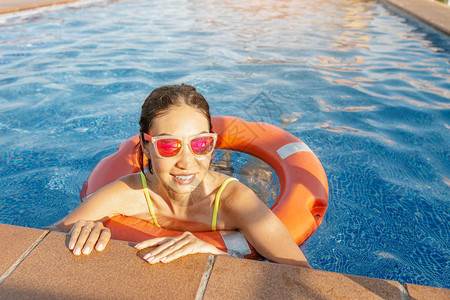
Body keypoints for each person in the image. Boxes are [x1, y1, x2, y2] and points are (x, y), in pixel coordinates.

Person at [48, 84, 311, 268]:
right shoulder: (129, 193)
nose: (186, 162)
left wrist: (218, 254)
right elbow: (46, 235)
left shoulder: (236, 202)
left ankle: (278, 124)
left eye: (200, 144)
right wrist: (83, 228)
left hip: (221, 191)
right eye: (168, 145)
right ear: (147, 146)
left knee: (256, 175)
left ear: (213, 143)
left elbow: (302, 275)